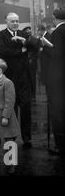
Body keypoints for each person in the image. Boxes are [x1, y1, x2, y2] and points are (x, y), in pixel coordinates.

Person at [0, 13, 37, 149]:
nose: (15, 23)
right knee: (10, 108)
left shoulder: (22, 34)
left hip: (24, 77)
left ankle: (26, 137)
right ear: (6, 21)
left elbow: (34, 47)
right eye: (12, 21)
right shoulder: (1, 35)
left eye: (17, 21)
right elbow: (2, 51)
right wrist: (22, 50)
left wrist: (23, 42)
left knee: (26, 108)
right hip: (10, 77)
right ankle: (10, 137)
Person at [47, 9, 65, 170]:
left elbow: (57, 54)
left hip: (58, 79)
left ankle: (61, 146)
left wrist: (46, 47)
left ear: (55, 18)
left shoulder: (58, 32)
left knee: (58, 113)